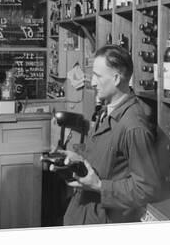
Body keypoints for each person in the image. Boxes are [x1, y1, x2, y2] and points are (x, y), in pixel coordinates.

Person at [60, 45, 161, 225]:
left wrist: (100, 186)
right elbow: (107, 158)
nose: (92, 82)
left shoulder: (133, 126)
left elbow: (147, 188)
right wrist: (78, 158)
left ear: (116, 79)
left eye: (97, 76)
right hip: (84, 213)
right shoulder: (108, 110)